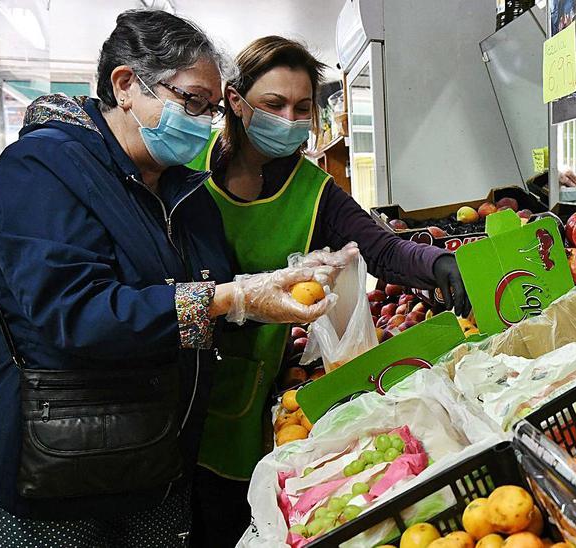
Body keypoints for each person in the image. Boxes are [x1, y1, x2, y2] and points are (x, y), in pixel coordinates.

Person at [0, 10, 338, 546]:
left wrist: (263, 297)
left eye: (211, 108)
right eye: (191, 101)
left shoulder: (184, 192)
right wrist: (227, 297)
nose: (205, 121)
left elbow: (205, 305)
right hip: (55, 471)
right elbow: (75, 316)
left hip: (155, 462)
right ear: (125, 85)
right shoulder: (43, 169)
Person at [185, 36, 471, 545]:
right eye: (273, 105)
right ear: (235, 100)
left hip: (248, 397)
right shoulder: (188, 168)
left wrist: (441, 263)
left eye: (302, 107)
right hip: (177, 383)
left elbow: (382, 250)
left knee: (226, 522)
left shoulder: (313, 191)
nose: (288, 119)